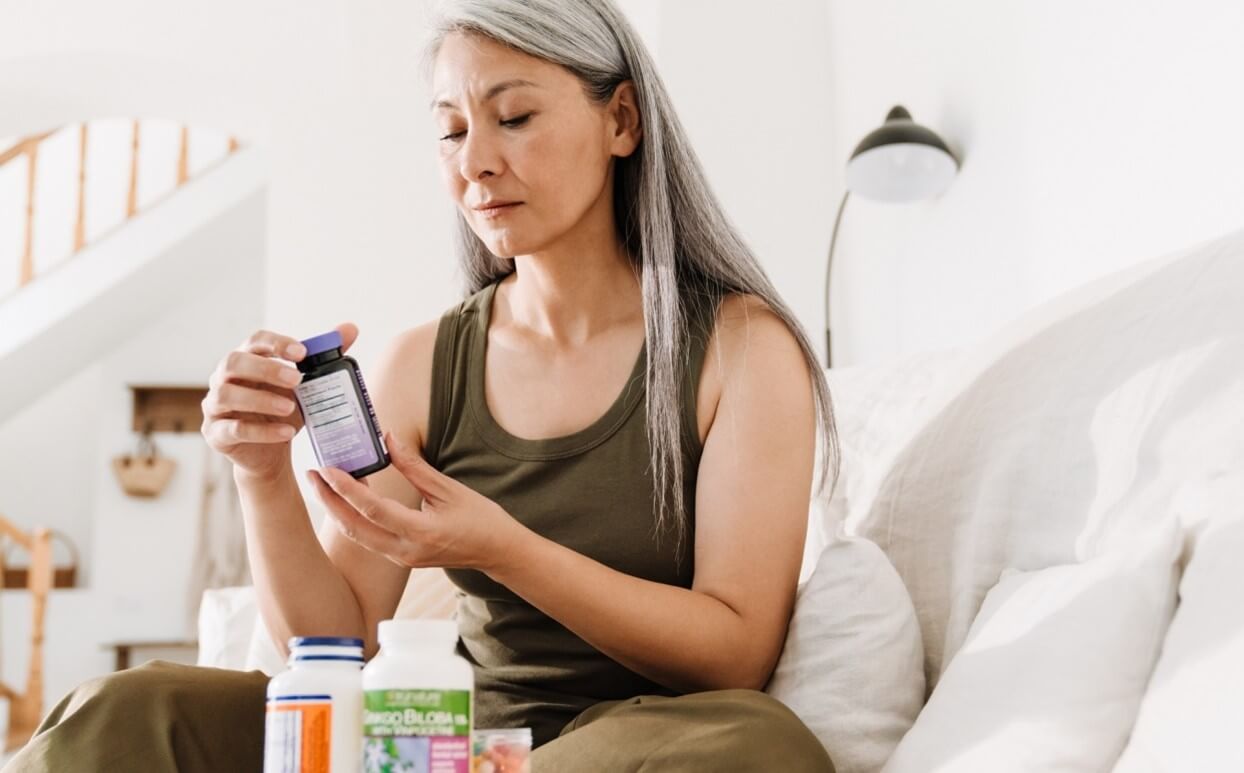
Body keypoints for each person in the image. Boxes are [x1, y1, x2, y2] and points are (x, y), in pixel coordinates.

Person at [4, 1, 841, 770]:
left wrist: (502, 548)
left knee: (757, 745)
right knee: (131, 708)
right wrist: (259, 472)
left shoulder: (741, 351)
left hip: (637, 746)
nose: (476, 162)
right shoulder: (423, 363)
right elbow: (336, 643)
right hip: (433, 744)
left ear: (621, 119)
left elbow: (736, 652)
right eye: (450, 131)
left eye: (513, 117)